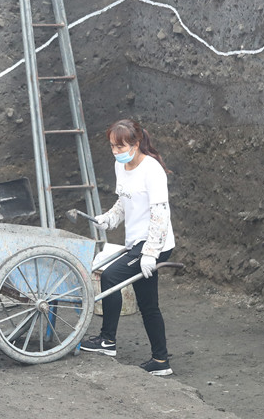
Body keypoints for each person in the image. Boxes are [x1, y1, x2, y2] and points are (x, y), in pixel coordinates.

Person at [81, 119, 176, 377]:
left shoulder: (152, 170)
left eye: (120, 146)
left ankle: (107, 340)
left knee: (111, 276)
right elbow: (124, 202)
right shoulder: (120, 166)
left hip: (154, 242)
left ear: (136, 143)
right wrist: (108, 219)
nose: (115, 151)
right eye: (112, 146)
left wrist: (150, 253)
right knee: (148, 304)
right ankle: (160, 361)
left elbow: (160, 215)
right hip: (137, 242)